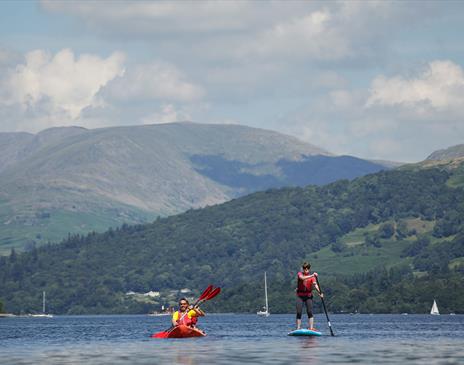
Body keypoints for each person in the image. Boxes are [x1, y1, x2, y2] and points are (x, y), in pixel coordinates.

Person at [296, 262, 323, 330]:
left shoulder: (312, 277)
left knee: (309, 312)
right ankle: (298, 328)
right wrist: (312, 275)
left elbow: (315, 285)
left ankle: (311, 328)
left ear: (309, 269)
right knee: (299, 312)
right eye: (304, 269)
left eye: (307, 269)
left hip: (308, 296)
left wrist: (320, 292)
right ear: (303, 269)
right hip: (300, 296)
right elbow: (302, 278)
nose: (306, 270)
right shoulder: (300, 274)